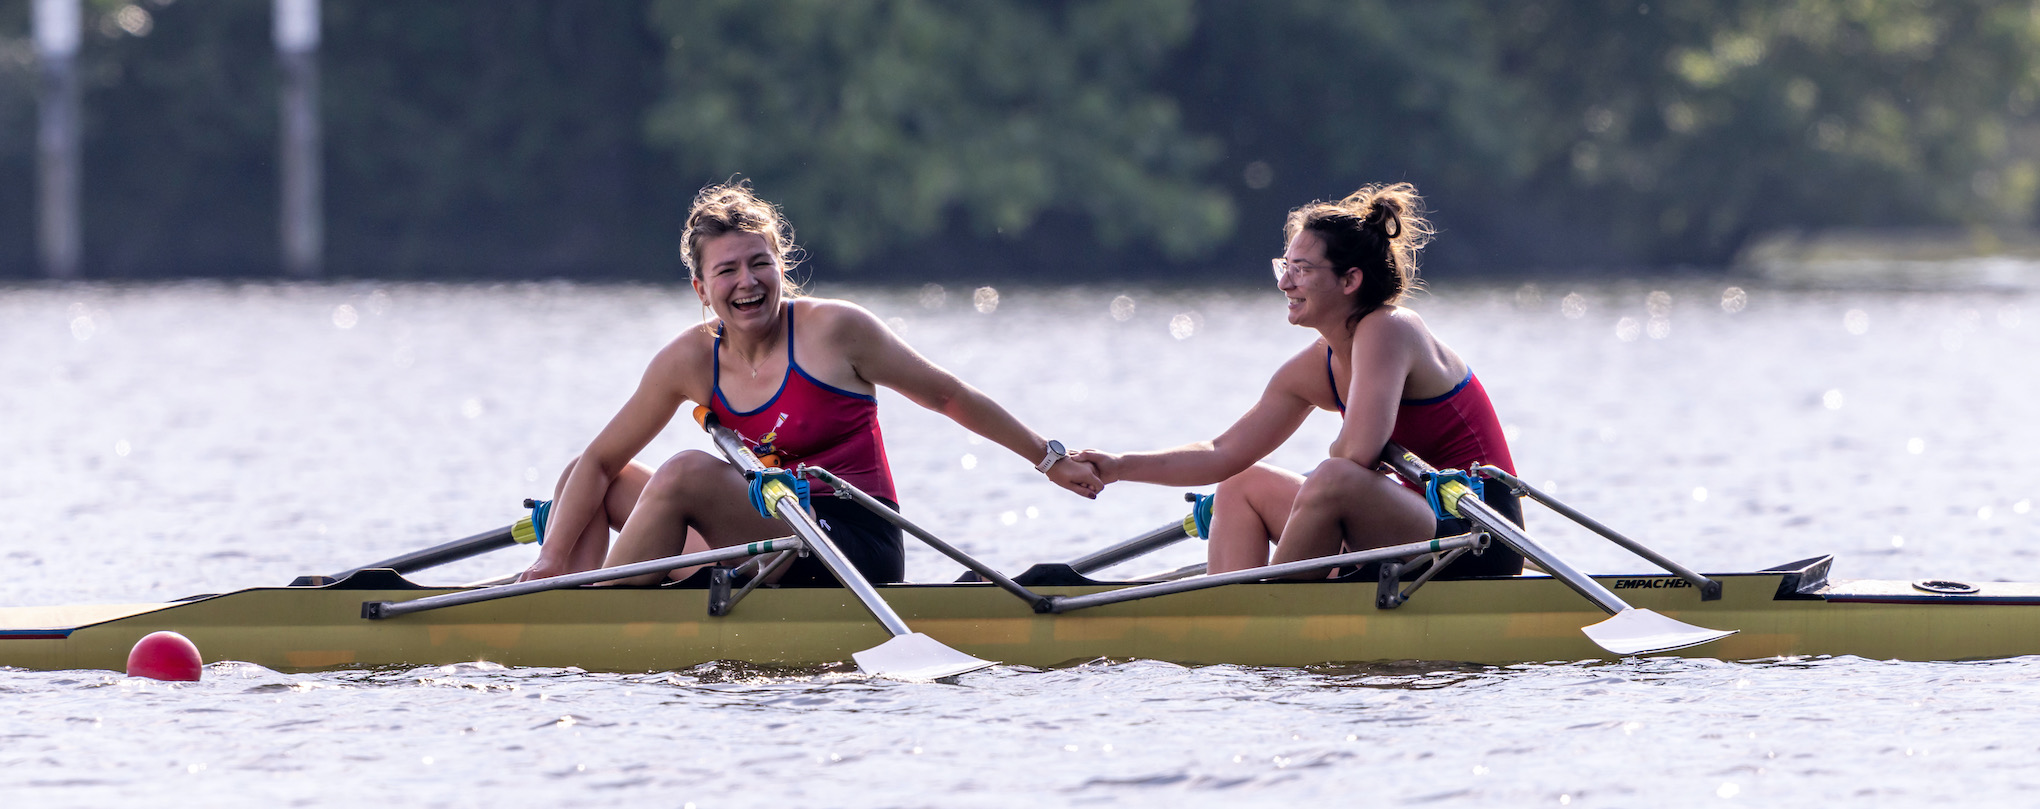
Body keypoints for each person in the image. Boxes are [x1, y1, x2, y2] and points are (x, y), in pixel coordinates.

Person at [517, 181, 1101, 586]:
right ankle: (558, 595)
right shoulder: (689, 360)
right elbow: (598, 461)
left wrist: (1049, 460)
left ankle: (591, 612)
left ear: (780, 265)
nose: (747, 282)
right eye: (727, 270)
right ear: (702, 290)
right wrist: (549, 557)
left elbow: (950, 396)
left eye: (759, 263)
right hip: (772, 533)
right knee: (585, 477)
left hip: (852, 545)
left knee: (684, 473)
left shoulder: (836, 331)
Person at [1075, 183, 1523, 578]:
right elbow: (1222, 453)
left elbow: (1357, 452)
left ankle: (1273, 610)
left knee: (1333, 475)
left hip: (1476, 532)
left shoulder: (1390, 329)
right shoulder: (1316, 366)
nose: (1285, 283)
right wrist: (1119, 466)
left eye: (1303, 269)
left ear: (1350, 280)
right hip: (1405, 522)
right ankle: (1231, 634)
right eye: (1284, 266)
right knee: (1240, 485)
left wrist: (1331, 491)